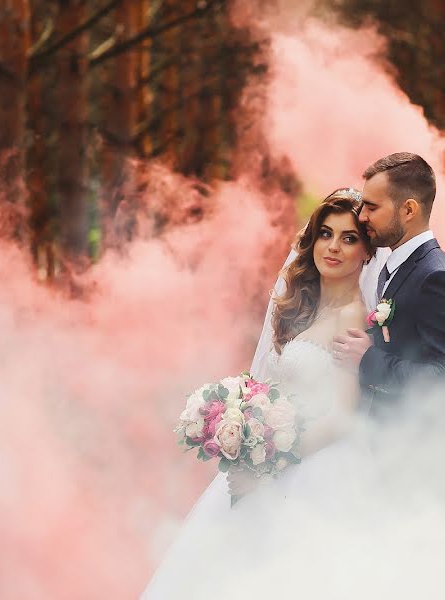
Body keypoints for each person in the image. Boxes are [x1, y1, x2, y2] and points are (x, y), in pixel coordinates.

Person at [141, 189, 380, 598]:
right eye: (325, 233)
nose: (334, 247)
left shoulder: (351, 314)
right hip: (280, 458)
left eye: (349, 237)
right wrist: (243, 421)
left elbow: (343, 416)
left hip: (317, 470)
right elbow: (269, 388)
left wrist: (270, 463)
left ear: (366, 252)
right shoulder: (303, 310)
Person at [333, 152, 445, 413]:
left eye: (372, 207)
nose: (362, 216)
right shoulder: (396, 269)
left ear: (408, 210)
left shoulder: (438, 277)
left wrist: (368, 359)